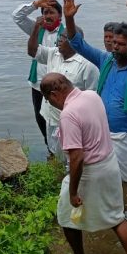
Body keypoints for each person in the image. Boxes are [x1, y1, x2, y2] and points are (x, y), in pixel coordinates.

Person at [41, 73, 127, 254]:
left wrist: (73, 192)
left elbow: (77, 158)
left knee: (65, 214)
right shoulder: (92, 95)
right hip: (110, 164)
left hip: (91, 171)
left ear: (54, 94)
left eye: (48, 100)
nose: (51, 104)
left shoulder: (68, 114)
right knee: (116, 218)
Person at [64, 0, 127, 220]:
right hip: (104, 132)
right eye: (114, 42)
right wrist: (69, 19)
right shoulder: (106, 60)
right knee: (104, 175)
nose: (115, 47)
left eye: (121, 44)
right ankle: (110, 212)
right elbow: (78, 44)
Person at [28, 21, 99, 165]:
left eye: (65, 37)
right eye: (60, 36)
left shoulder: (88, 65)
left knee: (72, 158)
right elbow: (32, 51)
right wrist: (36, 28)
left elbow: (93, 99)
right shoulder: (53, 53)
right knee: (55, 152)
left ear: (76, 42)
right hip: (50, 117)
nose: (60, 39)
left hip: (70, 122)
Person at [12, 0, 64, 151]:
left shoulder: (66, 34)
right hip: (38, 84)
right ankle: (50, 150)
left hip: (57, 86)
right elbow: (17, 16)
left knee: (59, 119)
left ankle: (62, 151)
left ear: (60, 15)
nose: (48, 16)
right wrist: (35, 4)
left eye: (51, 12)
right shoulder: (36, 28)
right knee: (40, 118)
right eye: (45, 12)